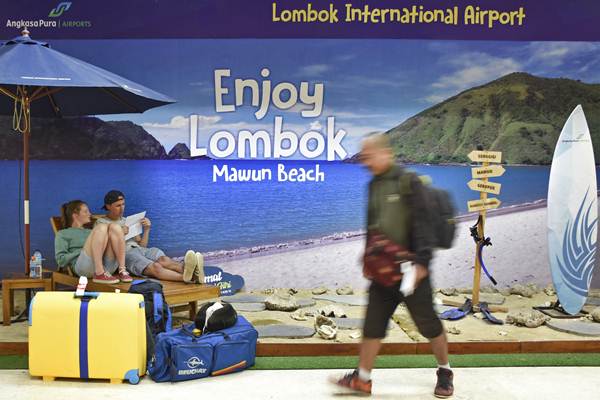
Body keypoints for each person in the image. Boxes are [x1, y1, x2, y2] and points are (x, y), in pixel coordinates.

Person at [331, 134, 453, 398]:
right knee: (373, 325)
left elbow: (424, 226)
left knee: (428, 325)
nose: (364, 162)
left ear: (385, 153)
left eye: (368, 156)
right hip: (382, 272)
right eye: (362, 157)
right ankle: (363, 379)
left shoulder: (408, 182)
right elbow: (372, 226)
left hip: (412, 272)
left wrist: (422, 263)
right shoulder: (373, 185)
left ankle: (445, 371)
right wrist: (367, 258)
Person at [95, 190, 203, 284]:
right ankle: (189, 278)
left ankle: (192, 271)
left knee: (164, 260)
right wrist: (120, 233)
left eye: (123, 204)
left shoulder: (127, 220)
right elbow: (103, 249)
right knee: (156, 267)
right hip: (124, 254)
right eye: (118, 205)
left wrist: (147, 229)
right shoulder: (101, 223)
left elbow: (142, 245)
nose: (122, 208)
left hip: (139, 249)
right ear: (108, 206)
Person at [55, 200, 132, 284]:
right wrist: (80, 252)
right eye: (86, 211)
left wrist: (120, 233)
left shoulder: (92, 232)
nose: (90, 214)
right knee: (101, 227)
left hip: (107, 268)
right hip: (84, 268)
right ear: (75, 215)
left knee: (115, 227)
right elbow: (60, 260)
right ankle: (99, 273)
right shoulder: (63, 234)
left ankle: (122, 270)